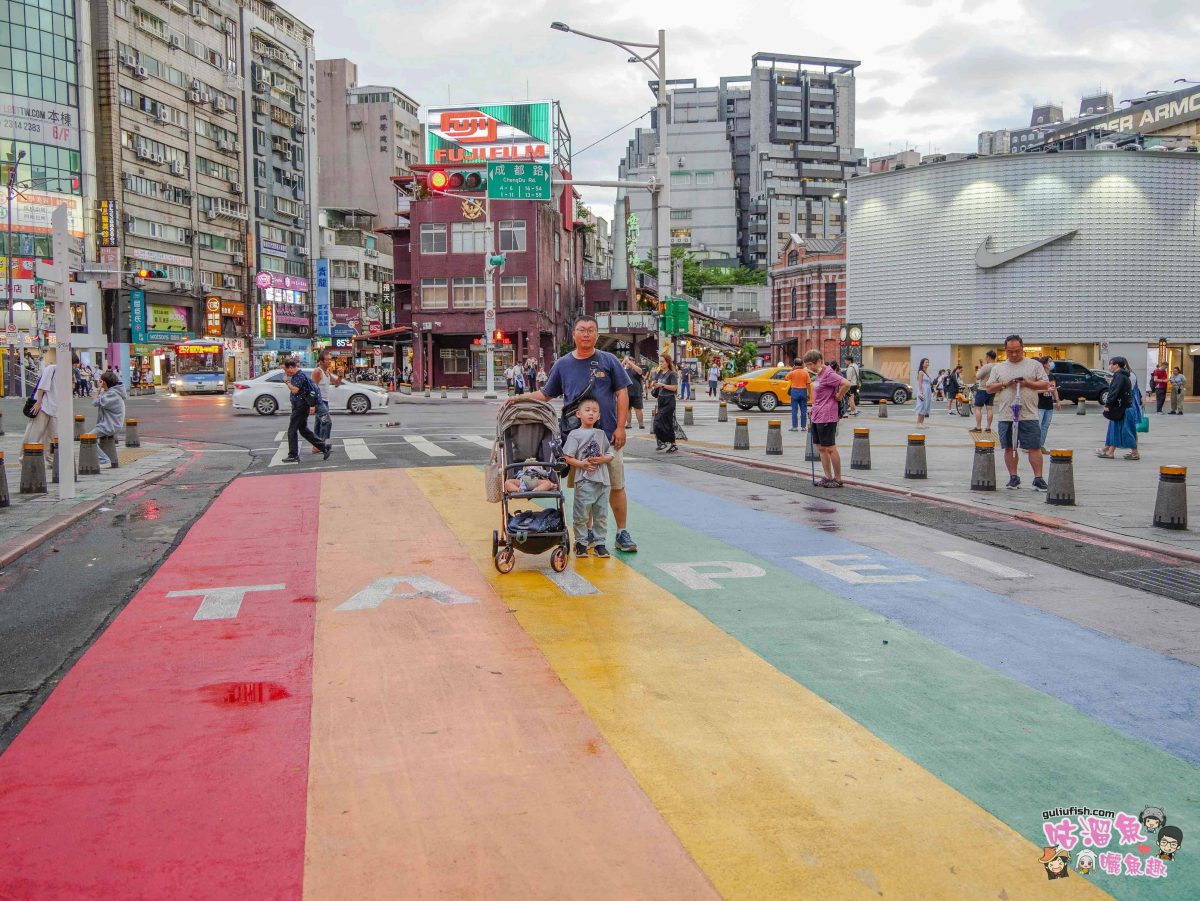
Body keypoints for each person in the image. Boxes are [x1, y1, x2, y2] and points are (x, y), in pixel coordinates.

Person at [518, 315, 637, 553]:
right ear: (573, 334)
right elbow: (545, 395)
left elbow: (622, 393)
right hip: (577, 440)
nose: (586, 334)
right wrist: (517, 398)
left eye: (591, 330)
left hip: (608, 438)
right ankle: (588, 533)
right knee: (585, 488)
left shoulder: (609, 360)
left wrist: (621, 426)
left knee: (616, 484)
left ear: (597, 334)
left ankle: (622, 532)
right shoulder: (562, 364)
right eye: (581, 330)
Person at [987, 334, 1050, 490]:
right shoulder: (998, 367)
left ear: (1023, 348)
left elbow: (1045, 384)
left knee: (1034, 446)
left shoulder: (1034, 365)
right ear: (1005, 350)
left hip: (1029, 414)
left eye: (1017, 351)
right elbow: (988, 388)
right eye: (1010, 351)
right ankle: (1013, 477)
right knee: (1009, 447)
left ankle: (1038, 478)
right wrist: (1004, 383)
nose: (1014, 354)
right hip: (1006, 415)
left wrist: (1027, 383)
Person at [562, 398, 614, 559]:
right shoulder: (574, 434)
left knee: (601, 514)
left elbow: (610, 453)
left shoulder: (600, 434)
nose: (591, 413)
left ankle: (600, 544)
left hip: (603, 481)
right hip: (584, 481)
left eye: (594, 411)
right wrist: (581, 464)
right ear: (578, 414)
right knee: (581, 514)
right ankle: (581, 543)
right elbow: (567, 457)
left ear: (599, 416)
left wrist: (603, 459)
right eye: (587, 410)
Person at [804, 350, 850, 487]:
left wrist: (839, 396)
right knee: (821, 448)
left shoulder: (829, 373)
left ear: (819, 361)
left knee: (830, 448)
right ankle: (827, 477)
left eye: (811, 364)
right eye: (807, 365)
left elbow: (846, 384)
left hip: (828, 415)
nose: (809, 367)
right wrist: (813, 409)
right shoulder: (819, 374)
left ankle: (838, 479)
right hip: (817, 415)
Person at [280, 358, 331, 463]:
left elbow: (295, 390)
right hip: (301, 406)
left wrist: (287, 382)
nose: (285, 372)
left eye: (286, 370)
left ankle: (293, 455)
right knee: (303, 430)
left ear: (291, 367)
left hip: (300, 407)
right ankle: (323, 447)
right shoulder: (297, 375)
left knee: (292, 430)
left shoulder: (299, 376)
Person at [23, 349, 61, 463]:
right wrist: (38, 403)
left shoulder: (67, 373)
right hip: (43, 407)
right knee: (33, 434)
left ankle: (51, 460)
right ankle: (25, 459)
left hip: (55, 409)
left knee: (53, 437)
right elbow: (41, 387)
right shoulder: (52, 369)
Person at [1099, 356, 1140, 460]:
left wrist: (1107, 405)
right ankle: (1110, 451)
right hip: (1124, 407)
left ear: (1116, 365)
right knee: (1119, 429)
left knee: (1126, 430)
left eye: (1111, 364)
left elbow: (1114, 392)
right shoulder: (1123, 375)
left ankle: (1134, 453)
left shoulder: (1119, 376)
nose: (1110, 366)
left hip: (1122, 408)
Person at [92, 370, 127, 466]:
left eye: (101, 381)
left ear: (105, 382)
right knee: (95, 441)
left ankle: (103, 459)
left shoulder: (113, 394)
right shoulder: (112, 392)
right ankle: (103, 459)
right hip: (109, 424)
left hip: (109, 425)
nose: (100, 383)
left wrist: (98, 389)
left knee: (88, 439)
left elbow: (95, 402)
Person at [311, 349, 342, 452]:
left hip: (325, 402)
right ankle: (321, 445)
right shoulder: (317, 372)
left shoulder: (327, 372)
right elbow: (312, 388)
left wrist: (340, 376)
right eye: (328, 360)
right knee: (327, 422)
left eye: (330, 359)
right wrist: (313, 404)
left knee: (319, 424)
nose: (330, 361)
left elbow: (337, 383)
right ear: (321, 361)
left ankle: (316, 447)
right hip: (319, 402)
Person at [651, 353, 679, 453]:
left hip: (669, 400)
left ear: (667, 362)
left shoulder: (672, 374)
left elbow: (674, 388)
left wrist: (662, 385)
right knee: (667, 423)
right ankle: (672, 443)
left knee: (658, 421)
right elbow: (654, 383)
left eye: (662, 361)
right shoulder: (660, 373)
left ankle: (663, 442)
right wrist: (654, 384)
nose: (661, 363)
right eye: (660, 361)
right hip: (661, 400)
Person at [1036, 357, 1060, 451]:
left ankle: (1041, 445)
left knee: (1045, 426)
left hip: (1049, 405)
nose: (1052, 363)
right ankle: (1035, 445)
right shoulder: (1039, 376)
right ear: (1045, 364)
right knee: (1038, 425)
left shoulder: (1052, 376)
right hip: (1040, 405)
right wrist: (1046, 389)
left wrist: (1057, 400)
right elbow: (1035, 390)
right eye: (1050, 361)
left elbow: (1054, 389)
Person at [972, 350, 998, 433]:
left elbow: (977, 377)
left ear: (988, 357)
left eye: (986, 357)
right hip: (992, 389)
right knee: (989, 408)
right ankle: (988, 428)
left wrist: (979, 370)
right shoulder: (998, 366)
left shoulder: (986, 366)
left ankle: (978, 427)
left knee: (978, 408)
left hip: (983, 389)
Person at [786, 358, 811, 432]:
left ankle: (794, 427)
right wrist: (809, 393)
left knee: (794, 410)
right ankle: (803, 427)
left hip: (794, 391)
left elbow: (786, 378)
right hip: (803, 391)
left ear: (794, 364)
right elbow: (808, 384)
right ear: (802, 364)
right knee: (804, 410)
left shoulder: (793, 372)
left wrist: (792, 369)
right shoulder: (805, 372)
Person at [622, 355, 646, 430]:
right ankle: (628, 424)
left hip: (636, 393)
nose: (629, 362)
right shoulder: (624, 370)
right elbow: (617, 368)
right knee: (628, 409)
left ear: (634, 362)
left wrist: (629, 362)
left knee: (638, 409)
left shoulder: (636, 369)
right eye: (628, 360)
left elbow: (640, 371)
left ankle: (641, 424)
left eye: (631, 360)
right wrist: (624, 361)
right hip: (626, 393)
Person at [914, 358, 933, 425]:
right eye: (926, 362)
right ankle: (918, 423)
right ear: (922, 364)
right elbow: (919, 383)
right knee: (922, 406)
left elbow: (930, 382)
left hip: (928, 390)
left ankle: (922, 423)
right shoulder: (921, 372)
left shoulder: (927, 372)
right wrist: (920, 392)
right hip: (923, 390)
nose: (927, 364)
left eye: (928, 362)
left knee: (926, 406)